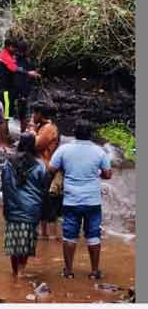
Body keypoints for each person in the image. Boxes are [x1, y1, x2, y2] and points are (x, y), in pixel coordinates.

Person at [48, 120, 112, 280]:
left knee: (70, 235)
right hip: (92, 201)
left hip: (71, 200)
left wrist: (65, 169)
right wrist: (96, 173)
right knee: (93, 235)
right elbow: (108, 175)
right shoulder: (99, 152)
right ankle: (94, 271)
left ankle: (68, 271)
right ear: (91, 134)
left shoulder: (64, 150)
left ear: (74, 132)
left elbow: (51, 169)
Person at [1, 134, 48, 278]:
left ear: (20, 144)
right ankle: (21, 272)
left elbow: (5, 185)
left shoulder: (8, 163)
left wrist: (7, 205)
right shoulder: (39, 165)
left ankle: (15, 272)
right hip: (31, 209)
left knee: (14, 242)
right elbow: (44, 186)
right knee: (26, 242)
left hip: (12, 208)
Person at [0, 38, 40, 133]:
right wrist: (29, 74)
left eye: (16, 48)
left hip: (13, 90)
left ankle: (11, 137)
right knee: (10, 116)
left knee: (9, 115)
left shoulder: (13, 57)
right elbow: (14, 70)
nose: (15, 50)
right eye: (14, 48)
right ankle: (7, 139)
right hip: (10, 90)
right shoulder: (8, 57)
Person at [30, 101, 61, 240]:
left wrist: (31, 129)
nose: (32, 116)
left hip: (46, 168)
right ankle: (44, 234)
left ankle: (51, 235)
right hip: (41, 168)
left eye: (34, 113)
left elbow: (36, 145)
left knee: (46, 202)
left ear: (40, 114)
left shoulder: (48, 128)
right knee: (42, 201)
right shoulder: (43, 127)